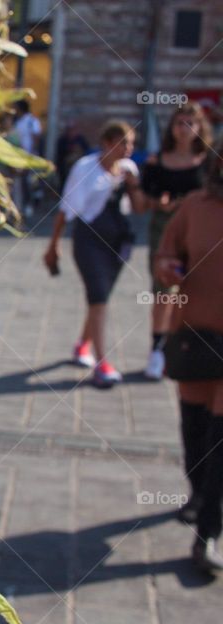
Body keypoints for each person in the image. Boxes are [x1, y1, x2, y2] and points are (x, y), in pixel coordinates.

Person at [155, 141, 223, 571]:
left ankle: (209, 536)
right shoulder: (195, 207)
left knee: (220, 441)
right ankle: (199, 495)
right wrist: (168, 268)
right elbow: (167, 252)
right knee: (195, 430)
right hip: (196, 332)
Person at [43, 121, 149, 388]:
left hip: (118, 242)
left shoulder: (128, 169)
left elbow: (138, 209)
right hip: (89, 240)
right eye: (123, 142)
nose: (128, 149)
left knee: (99, 300)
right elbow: (66, 208)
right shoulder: (85, 168)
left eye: (131, 143)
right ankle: (103, 363)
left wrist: (134, 185)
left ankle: (82, 345)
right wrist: (53, 244)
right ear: (106, 142)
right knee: (99, 296)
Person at [140, 104, 210, 380]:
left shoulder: (208, 162)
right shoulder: (159, 161)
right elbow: (144, 200)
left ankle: (182, 346)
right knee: (163, 289)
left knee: (194, 290)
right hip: (165, 229)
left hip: (199, 233)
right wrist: (161, 203)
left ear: (199, 127)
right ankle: (157, 349)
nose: (184, 128)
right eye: (179, 123)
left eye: (190, 123)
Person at [13, 100, 43, 217]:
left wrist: (31, 155)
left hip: (29, 156)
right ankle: (20, 206)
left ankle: (30, 205)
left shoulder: (32, 121)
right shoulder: (17, 122)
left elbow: (36, 137)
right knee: (20, 182)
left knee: (30, 181)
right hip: (18, 157)